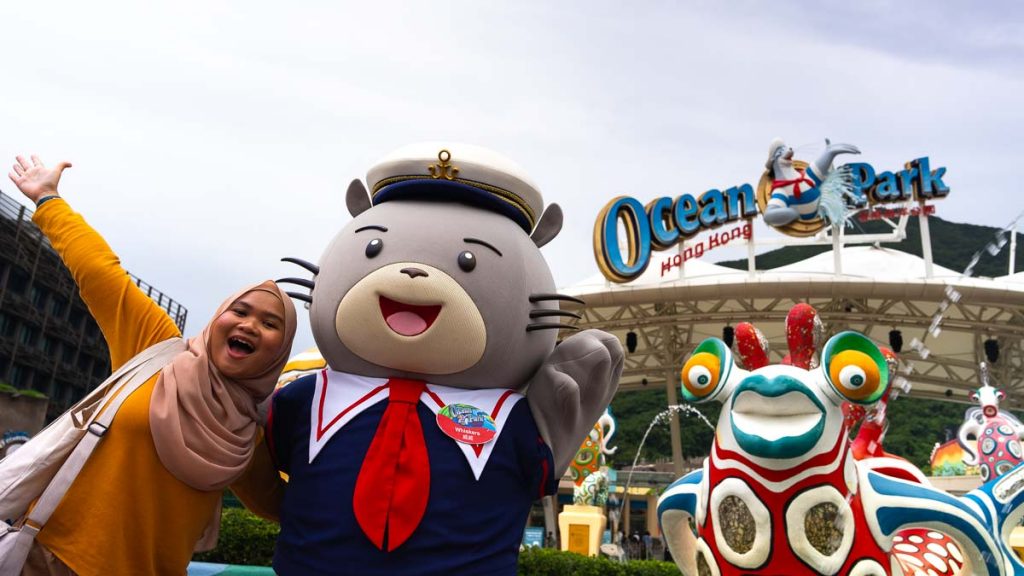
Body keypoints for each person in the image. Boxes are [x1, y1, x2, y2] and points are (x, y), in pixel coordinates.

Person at [8, 155, 297, 576]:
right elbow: (101, 273)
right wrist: (48, 200)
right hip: (49, 561)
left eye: (270, 324)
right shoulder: (158, 345)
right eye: (240, 311)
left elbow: (279, 504)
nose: (250, 325)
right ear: (217, 319)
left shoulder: (245, 431)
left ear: (279, 349)